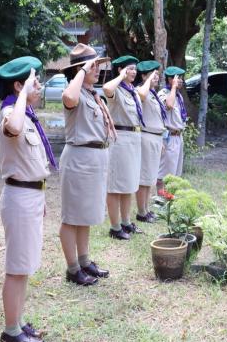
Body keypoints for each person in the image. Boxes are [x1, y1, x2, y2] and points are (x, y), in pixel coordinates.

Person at [0, 57, 56, 342]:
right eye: (35, 81)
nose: (40, 87)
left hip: (30, 194)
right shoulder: (12, 111)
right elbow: (14, 127)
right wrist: (20, 97)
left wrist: (39, 194)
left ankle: (18, 322)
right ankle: (10, 330)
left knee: (25, 266)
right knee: (17, 267)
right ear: (19, 85)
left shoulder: (26, 113)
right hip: (19, 196)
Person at [59, 43, 114, 286]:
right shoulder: (75, 92)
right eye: (93, 66)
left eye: (98, 65)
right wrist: (82, 71)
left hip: (94, 158)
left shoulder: (92, 93)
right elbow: (68, 97)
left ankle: (84, 261)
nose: (98, 70)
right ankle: (72, 269)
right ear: (80, 69)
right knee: (72, 216)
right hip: (79, 159)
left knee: (86, 214)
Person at [103, 55, 144, 240]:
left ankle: (126, 222)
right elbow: (106, 88)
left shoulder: (132, 91)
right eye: (129, 68)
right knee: (115, 186)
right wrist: (120, 75)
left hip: (135, 138)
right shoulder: (117, 90)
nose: (133, 72)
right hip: (121, 138)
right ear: (120, 70)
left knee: (129, 184)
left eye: (135, 69)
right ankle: (115, 226)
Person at [135, 60, 167, 222]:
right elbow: (141, 94)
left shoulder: (154, 94)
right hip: (146, 136)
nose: (156, 77)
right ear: (144, 76)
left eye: (157, 74)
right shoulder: (142, 91)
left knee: (151, 178)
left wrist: (161, 140)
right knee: (144, 176)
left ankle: (146, 209)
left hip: (155, 136)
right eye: (152, 74)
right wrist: (147, 81)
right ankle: (141, 211)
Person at [157, 66, 188, 191]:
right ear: (170, 79)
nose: (180, 80)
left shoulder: (178, 95)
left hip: (178, 136)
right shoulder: (164, 93)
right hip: (169, 137)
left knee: (175, 174)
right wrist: (174, 87)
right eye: (177, 78)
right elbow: (169, 105)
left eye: (181, 78)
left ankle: (170, 202)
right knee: (164, 174)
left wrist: (175, 89)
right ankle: (160, 202)